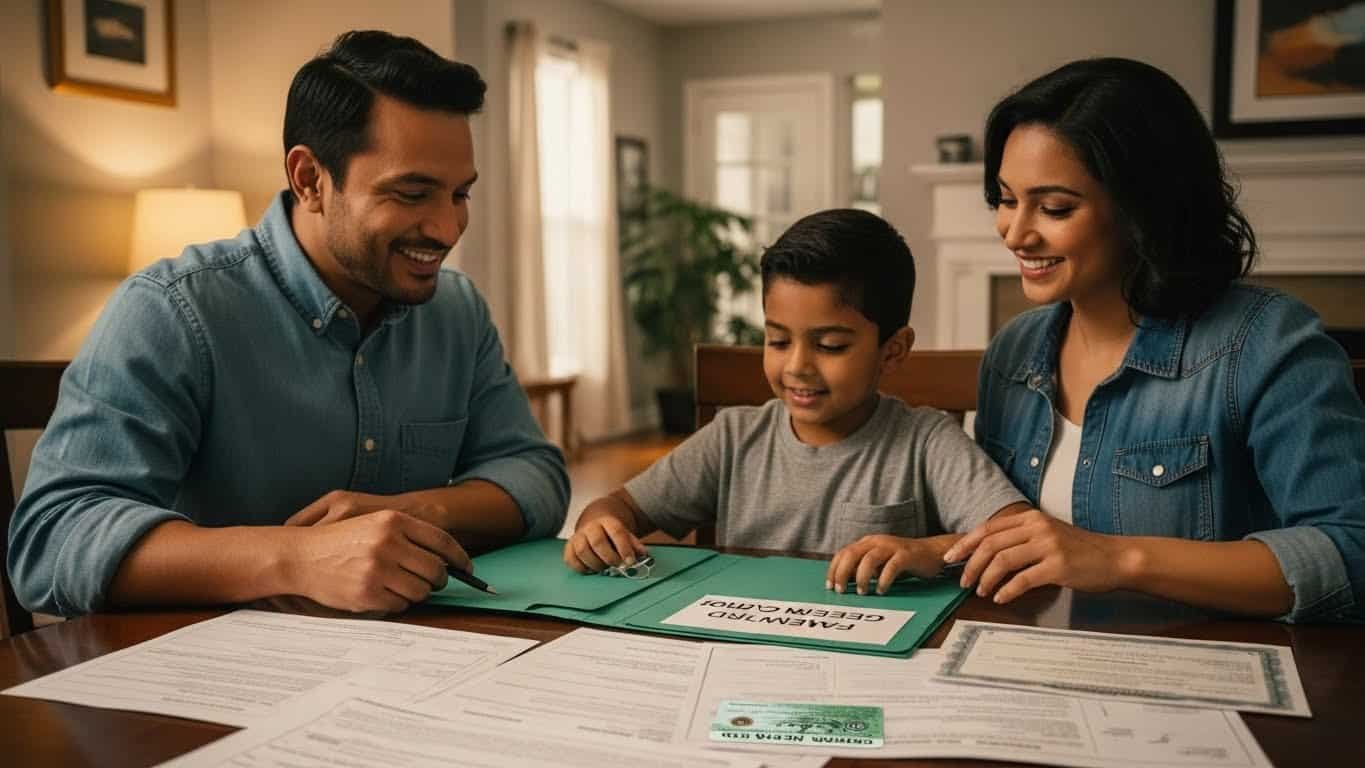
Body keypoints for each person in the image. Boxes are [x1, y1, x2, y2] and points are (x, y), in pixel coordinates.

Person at [8, 31, 569, 617]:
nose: (448, 228)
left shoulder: (458, 311)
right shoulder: (172, 310)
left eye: (460, 194)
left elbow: (536, 476)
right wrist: (298, 556)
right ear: (309, 180)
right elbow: (50, 540)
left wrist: (415, 511)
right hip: (198, 676)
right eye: (413, 192)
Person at [951, 57, 1365, 622]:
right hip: (1036, 666)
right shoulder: (1013, 352)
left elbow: (1352, 554)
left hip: (1207, 675)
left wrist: (1120, 558)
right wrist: (931, 551)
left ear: (1144, 208)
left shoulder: (1267, 344)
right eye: (1004, 199)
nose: (1014, 233)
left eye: (1054, 208)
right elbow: (1015, 540)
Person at [563, 209, 1028, 594]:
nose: (797, 367)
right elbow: (616, 508)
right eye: (778, 341)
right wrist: (599, 526)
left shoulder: (925, 441)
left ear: (893, 350)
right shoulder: (733, 438)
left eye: (829, 346)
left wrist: (927, 551)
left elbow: (1017, 536)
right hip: (740, 651)